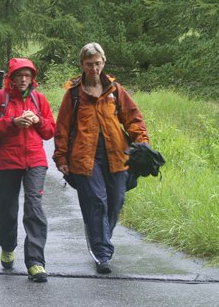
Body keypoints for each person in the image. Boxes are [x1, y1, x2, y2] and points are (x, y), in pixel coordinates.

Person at [52, 42, 149, 275]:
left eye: (97, 63)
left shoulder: (115, 90)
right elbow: (62, 127)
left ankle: (100, 238)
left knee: (115, 201)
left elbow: (133, 119)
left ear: (103, 62)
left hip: (117, 156)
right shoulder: (74, 94)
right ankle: (102, 253)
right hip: (85, 159)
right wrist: (61, 157)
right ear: (82, 65)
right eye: (89, 64)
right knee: (96, 201)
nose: (94, 68)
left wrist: (143, 144)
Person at [0, 58, 56, 283]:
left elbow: (50, 130)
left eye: (28, 75)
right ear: (11, 77)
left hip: (35, 160)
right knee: (7, 208)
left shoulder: (38, 99)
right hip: (6, 161)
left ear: (32, 78)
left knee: (34, 206)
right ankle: (7, 245)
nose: (23, 79)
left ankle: (35, 262)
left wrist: (37, 120)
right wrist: (12, 122)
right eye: (19, 75)